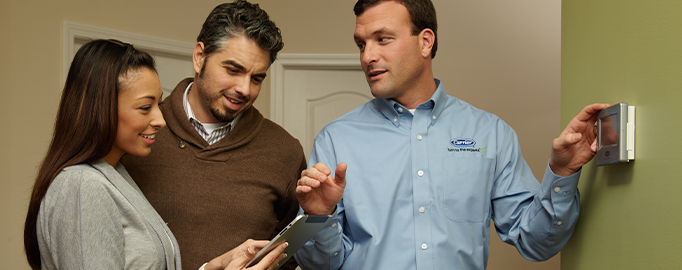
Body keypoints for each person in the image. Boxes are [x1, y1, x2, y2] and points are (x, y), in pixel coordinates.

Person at [293, 0, 609, 269]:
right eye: (361, 44)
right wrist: (317, 216)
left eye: (382, 39)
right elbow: (319, 264)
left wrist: (563, 172)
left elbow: (537, 243)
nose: (366, 57)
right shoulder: (335, 139)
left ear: (425, 42)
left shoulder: (491, 134)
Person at [22, 39, 287, 270]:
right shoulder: (82, 186)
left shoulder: (115, 175)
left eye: (157, 104)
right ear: (102, 109)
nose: (160, 119)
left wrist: (211, 268)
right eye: (145, 107)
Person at [120, 1, 306, 269]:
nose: (244, 89)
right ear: (199, 57)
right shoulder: (139, 136)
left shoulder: (284, 150)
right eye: (233, 70)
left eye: (257, 78)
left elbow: (289, 255)